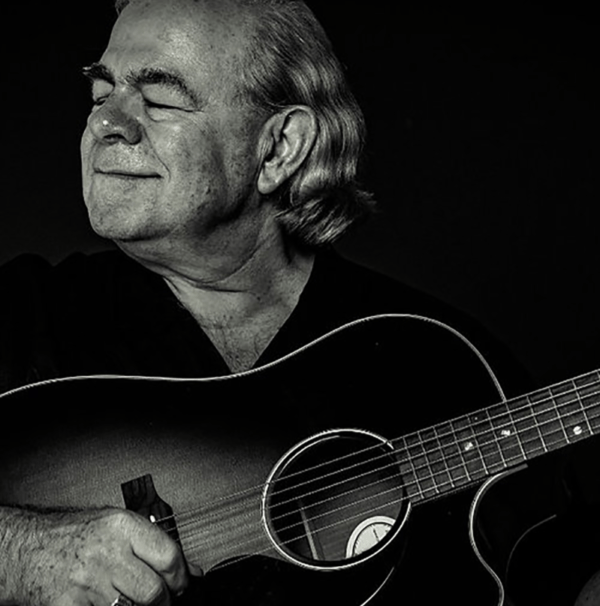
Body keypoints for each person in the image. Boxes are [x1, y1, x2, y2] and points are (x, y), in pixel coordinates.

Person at [0, 1, 596, 605]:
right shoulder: (20, 314)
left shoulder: (440, 358)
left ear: (279, 147)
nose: (108, 123)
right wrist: (24, 554)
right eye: (102, 93)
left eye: (158, 100)